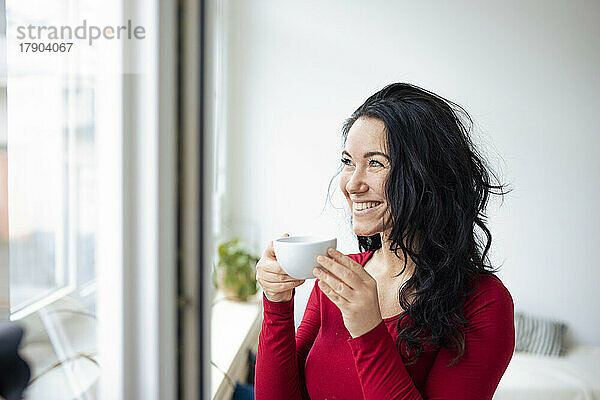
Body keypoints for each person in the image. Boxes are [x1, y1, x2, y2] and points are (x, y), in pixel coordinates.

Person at [254, 83, 515, 399]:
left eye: (375, 162)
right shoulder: (341, 277)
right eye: (349, 161)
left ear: (427, 173)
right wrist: (277, 302)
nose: (351, 184)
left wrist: (367, 330)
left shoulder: (483, 302)